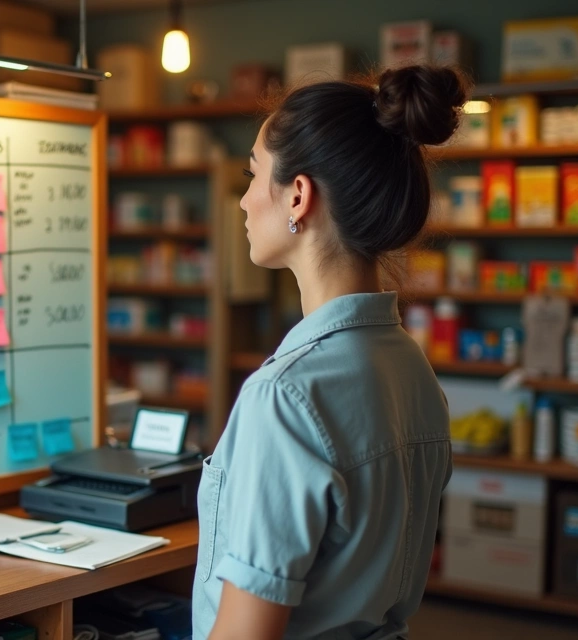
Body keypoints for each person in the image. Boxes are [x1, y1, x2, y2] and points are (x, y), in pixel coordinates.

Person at [193, 65, 466, 640]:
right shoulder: (411, 368)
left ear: (298, 195)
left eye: (252, 174)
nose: (242, 201)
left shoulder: (286, 396)